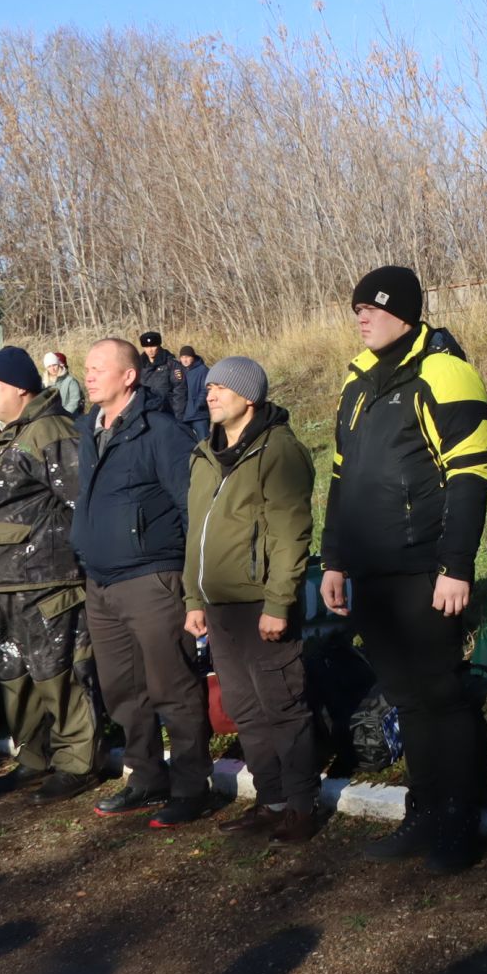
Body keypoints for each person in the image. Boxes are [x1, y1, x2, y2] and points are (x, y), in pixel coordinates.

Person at [320, 266, 487, 873]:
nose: (362, 316)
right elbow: (341, 477)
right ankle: (424, 813)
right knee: (407, 699)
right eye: (356, 308)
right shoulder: (359, 379)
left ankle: (460, 821)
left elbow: (471, 476)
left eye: (372, 306)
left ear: (405, 312)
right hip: (371, 573)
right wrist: (334, 559)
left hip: (425, 569)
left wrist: (456, 566)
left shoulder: (443, 371)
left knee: (443, 697)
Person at [75, 337, 209, 827]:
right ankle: (146, 776)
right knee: (123, 691)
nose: (87, 376)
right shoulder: (87, 429)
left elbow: (193, 509)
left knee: (172, 686)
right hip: (101, 583)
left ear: (128, 376)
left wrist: (192, 589)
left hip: (152, 578)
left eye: (97, 369)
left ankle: (193, 786)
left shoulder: (162, 432)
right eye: (86, 369)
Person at [184, 357, 318, 843]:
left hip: (261, 605)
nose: (211, 393)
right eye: (210, 386)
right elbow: (196, 536)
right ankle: (272, 800)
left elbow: (291, 534)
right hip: (218, 609)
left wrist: (279, 604)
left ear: (249, 398)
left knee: (283, 707)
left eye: (221, 387)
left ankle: (302, 807)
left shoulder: (278, 452)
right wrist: (193, 598)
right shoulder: (204, 455)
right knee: (245, 711)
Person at [0, 347, 95, 801]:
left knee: (58, 674)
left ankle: (78, 762)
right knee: (17, 676)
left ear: (20, 388)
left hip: (44, 579)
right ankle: (34, 757)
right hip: (3, 582)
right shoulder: (3, 433)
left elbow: (82, 503)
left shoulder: (49, 431)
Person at [138, 332, 188, 422]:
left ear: (159, 345)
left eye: (153, 346)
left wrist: (179, 417)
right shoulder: (139, 365)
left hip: (167, 412)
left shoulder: (171, 364)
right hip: (145, 413)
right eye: (147, 347)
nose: (150, 350)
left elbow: (179, 391)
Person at [176, 345, 211, 441]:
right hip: (183, 415)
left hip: (199, 414)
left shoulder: (202, 370)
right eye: (182, 357)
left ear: (193, 357)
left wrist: (199, 404)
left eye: (187, 357)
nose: (185, 360)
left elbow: (206, 389)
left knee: (204, 442)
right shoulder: (178, 370)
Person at [43, 352, 85, 416]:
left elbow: (74, 401)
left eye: (54, 365)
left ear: (59, 364)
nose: (53, 369)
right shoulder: (45, 384)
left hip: (70, 418)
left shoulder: (70, 381)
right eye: (49, 366)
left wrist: (63, 415)